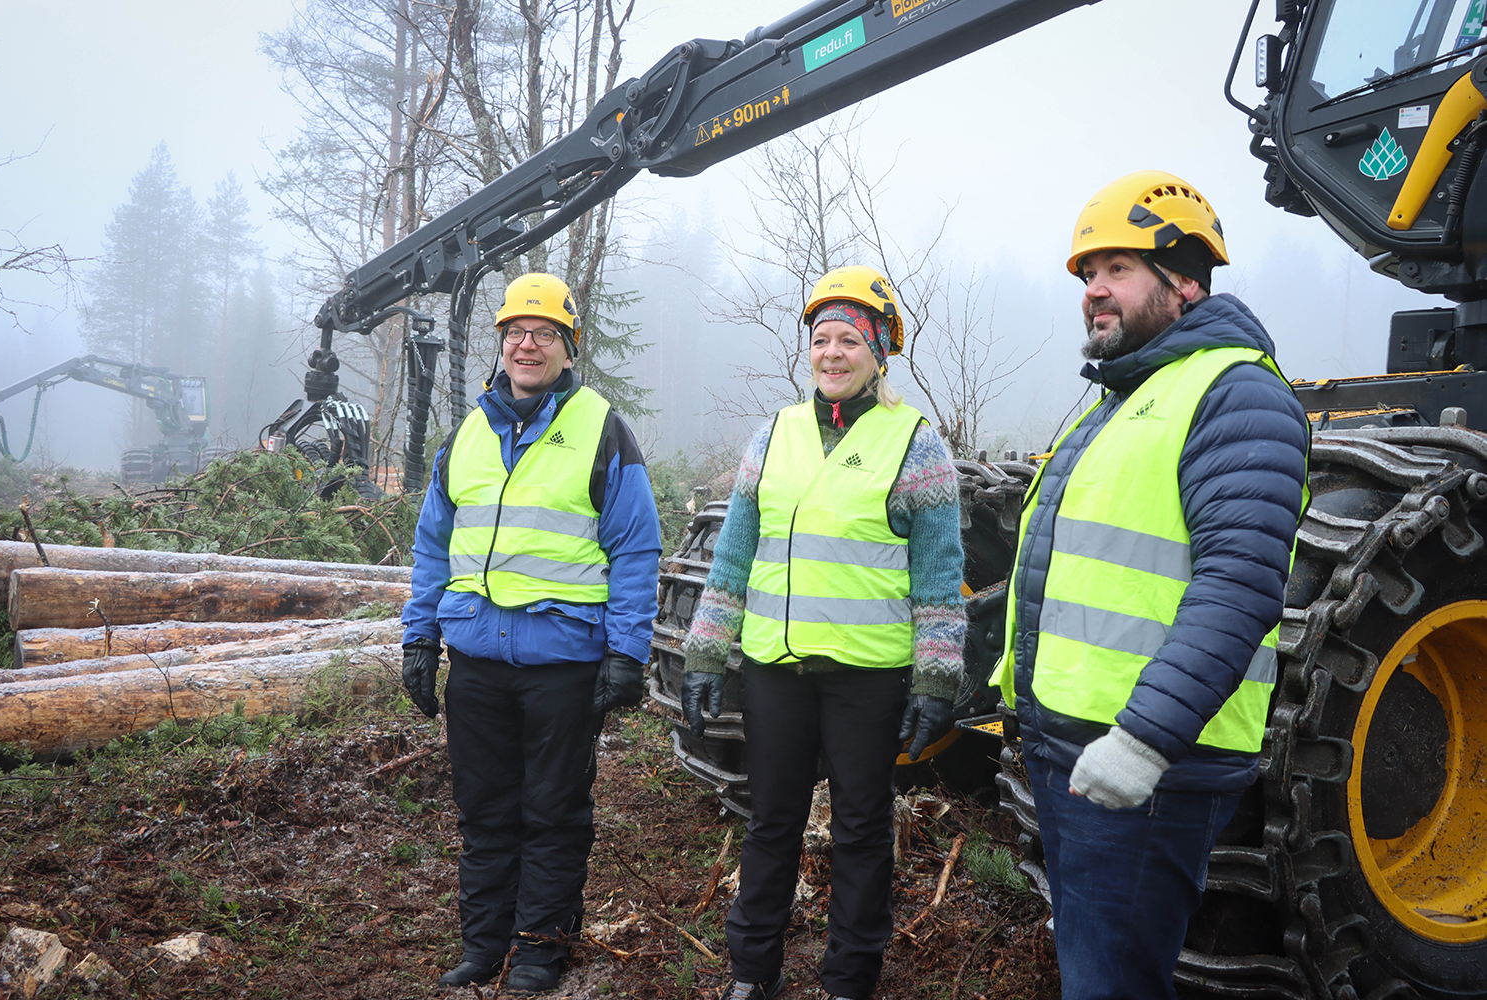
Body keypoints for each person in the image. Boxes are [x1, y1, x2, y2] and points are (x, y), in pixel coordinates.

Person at [991, 171, 1309, 999]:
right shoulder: (1122, 399)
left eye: (1119, 269)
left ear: (1186, 283)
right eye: (1087, 274)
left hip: (1146, 762)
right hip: (1073, 744)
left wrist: (1144, 740)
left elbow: (1237, 588)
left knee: (1111, 983)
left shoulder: (1237, 394)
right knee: (1099, 965)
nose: (1094, 290)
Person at [680, 265, 966, 1000]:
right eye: (821, 339)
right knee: (770, 820)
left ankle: (849, 979)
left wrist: (936, 678)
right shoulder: (771, 436)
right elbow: (733, 560)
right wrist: (707, 652)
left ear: (879, 353)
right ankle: (751, 973)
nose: (832, 354)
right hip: (776, 670)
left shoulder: (916, 446)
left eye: (849, 341)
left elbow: (938, 581)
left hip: (866, 678)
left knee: (863, 831)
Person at [400, 272, 661, 993]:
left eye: (544, 333)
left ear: (568, 348)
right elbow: (433, 544)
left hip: (563, 665)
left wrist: (626, 653)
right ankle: (484, 946)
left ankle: (540, 947)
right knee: (484, 810)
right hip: (477, 662)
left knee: (552, 810)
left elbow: (636, 550)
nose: (527, 344)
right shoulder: (469, 433)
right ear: (501, 345)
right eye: (515, 332)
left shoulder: (603, 430)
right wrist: (419, 639)